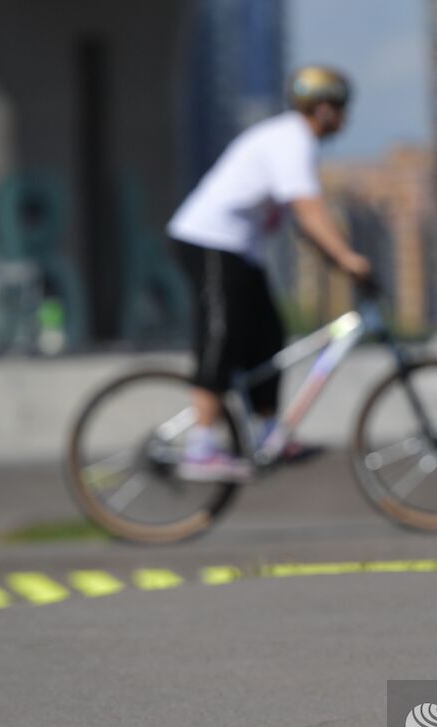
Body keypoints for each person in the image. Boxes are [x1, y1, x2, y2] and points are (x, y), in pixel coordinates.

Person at [167, 64, 374, 481]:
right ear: (322, 109)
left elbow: (304, 224)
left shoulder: (296, 143)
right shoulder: (291, 140)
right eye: (340, 108)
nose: (346, 118)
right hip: (209, 240)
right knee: (222, 335)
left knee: (268, 335)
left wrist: (336, 259)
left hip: (240, 250)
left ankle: (267, 433)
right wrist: (349, 258)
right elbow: (309, 210)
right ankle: (201, 446)